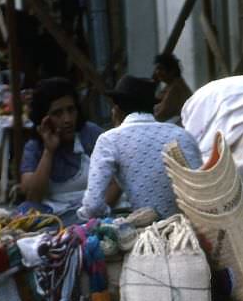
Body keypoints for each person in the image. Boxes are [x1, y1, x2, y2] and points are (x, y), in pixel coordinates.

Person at [78, 75, 202, 221]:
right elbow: (202, 190)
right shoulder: (181, 134)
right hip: (192, 232)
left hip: (148, 235)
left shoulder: (110, 140)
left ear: (116, 109)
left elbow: (93, 206)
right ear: (153, 108)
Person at [19, 77, 117, 223]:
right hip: (55, 218)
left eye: (71, 110)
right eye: (57, 113)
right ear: (44, 118)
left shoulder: (91, 134)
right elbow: (32, 197)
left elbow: (115, 183)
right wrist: (49, 151)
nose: (67, 119)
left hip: (94, 215)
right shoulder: (34, 146)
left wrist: (94, 215)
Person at [152, 52, 192, 123]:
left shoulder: (176, 88)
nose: (157, 72)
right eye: (157, 69)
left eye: (161, 69)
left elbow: (161, 115)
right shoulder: (171, 85)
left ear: (172, 71)